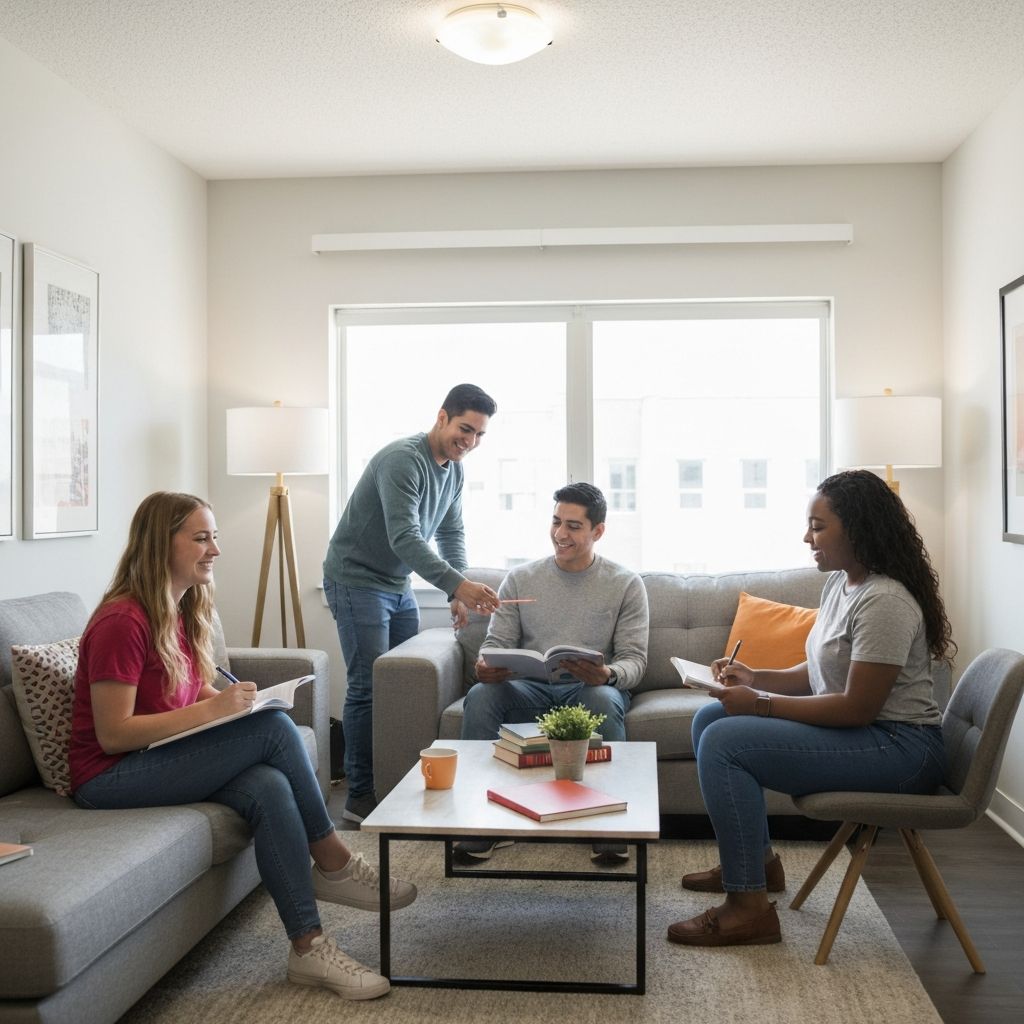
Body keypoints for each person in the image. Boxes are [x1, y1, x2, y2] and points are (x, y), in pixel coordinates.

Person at [69, 492, 417, 1001]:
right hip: (107, 776)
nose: (215, 549)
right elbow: (114, 733)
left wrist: (231, 704)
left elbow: (185, 692)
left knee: (269, 784)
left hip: (153, 758)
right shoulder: (122, 621)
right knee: (274, 730)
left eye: (214, 537)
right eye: (201, 538)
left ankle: (308, 948)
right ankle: (333, 860)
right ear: (160, 544)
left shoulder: (178, 608)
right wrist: (216, 712)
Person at [667, 469, 955, 948]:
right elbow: (820, 671)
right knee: (710, 718)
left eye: (818, 527)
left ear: (858, 529)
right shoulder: (842, 584)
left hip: (900, 749)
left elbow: (857, 708)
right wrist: (755, 677)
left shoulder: (885, 601)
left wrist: (761, 704)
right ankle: (756, 866)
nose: (807, 538)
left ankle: (749, 910)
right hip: (871, 736)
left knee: (724, 742)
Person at [323, 383, 501, 824]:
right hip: (356, 580)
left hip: (397, 584)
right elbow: (405, 537)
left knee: (401, 687)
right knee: (367, 687)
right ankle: (360, 797)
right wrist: (460, 586)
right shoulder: (402, 460)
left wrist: (454, 591)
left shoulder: (454, 471)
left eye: (479, 435)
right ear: (442, 417)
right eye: (465, 429)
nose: (470, 442)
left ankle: (400, 789)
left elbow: (451, 533)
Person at [459, 482, 649, 862]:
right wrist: (486, 666)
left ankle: (610, 825)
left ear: (598, 531)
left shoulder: (626, 584)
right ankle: (480, 823)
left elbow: (635, 661)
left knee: (603, 698)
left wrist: (608, 674)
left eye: (573, 526)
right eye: (556, 522)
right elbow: (495, 644)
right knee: (481, 696)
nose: (560, 534)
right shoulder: (520, 578)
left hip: (588, 690)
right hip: (527, 689)